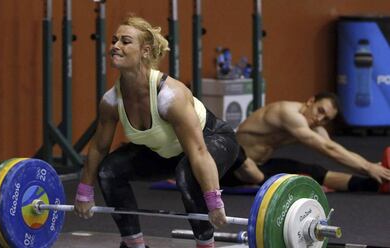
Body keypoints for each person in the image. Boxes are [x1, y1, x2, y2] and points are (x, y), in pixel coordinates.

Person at [74, 15, 240, 248]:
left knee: (187, 172)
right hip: (167, 151)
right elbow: (99, 148)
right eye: (114, 41)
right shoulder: (111, 101)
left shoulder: (169, 96)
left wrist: (213, 201)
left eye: (125, 41)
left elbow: (199, 151)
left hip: (213, 140)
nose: (115, 46)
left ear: (145, 51)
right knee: (110, 171)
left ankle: (205, 243)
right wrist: (84, 191)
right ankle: (134, 244)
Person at [220, 92, 390, 192]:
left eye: (326, 119)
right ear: (310, 101)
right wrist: (368, 167)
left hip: (260, 167)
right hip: (231, 166)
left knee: (314, 172)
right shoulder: (287, 113)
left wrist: (372, 168)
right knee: (255, 171)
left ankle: (374, 184)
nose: (319, 119)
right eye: (320, 111)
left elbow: (336, 149)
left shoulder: (314, 126)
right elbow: (328, 149)